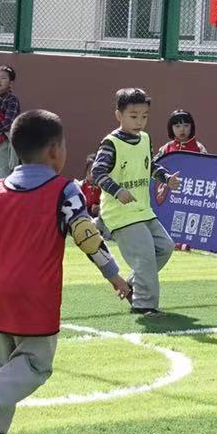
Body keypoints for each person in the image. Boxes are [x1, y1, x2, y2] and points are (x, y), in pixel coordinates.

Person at [0, 110, 132, 434]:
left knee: (1, 363)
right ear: (55, 150)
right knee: (35, 364)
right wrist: (114, 275)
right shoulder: (64, 189)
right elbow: (86, 235)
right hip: (34, 294)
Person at [89, 88, 183, 318]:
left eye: (144, 116)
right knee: (145, 256)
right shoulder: (110, 143)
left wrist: (166, 179)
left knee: (165, 247)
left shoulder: (145, 139)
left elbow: (150, 165)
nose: (139, 121)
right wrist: (117, 191)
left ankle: (131, 284)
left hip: (143, 210)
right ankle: (144, 305)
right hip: (120, 213)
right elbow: (97, 172)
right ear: (118, 115)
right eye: (133, 116)